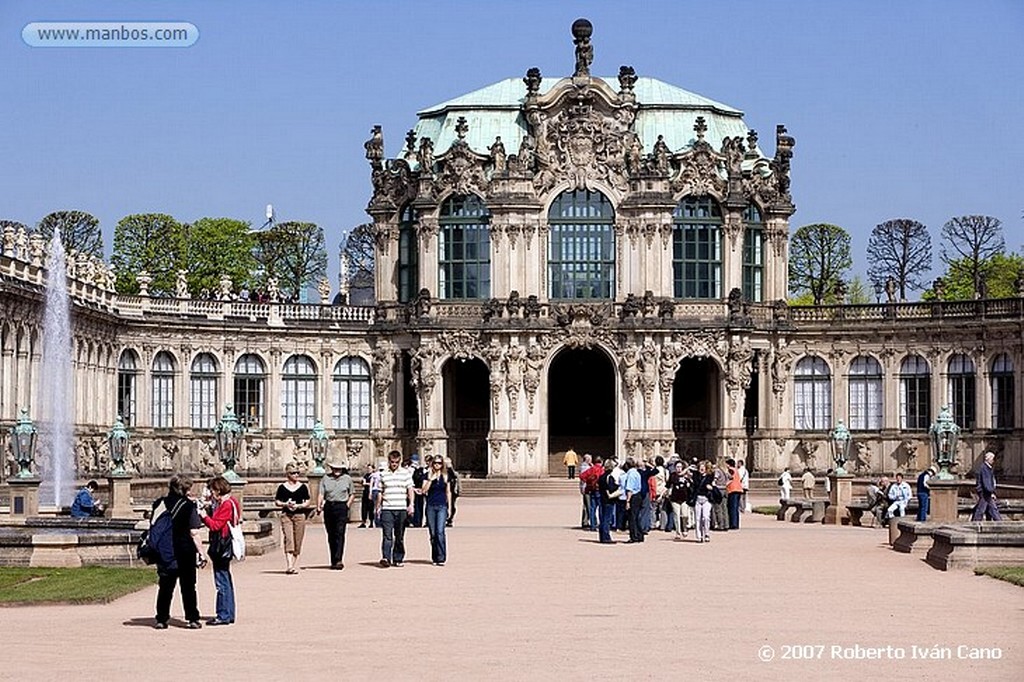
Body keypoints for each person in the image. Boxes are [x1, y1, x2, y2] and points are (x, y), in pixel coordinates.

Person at [153, 474, 206, 630]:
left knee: (165, 587)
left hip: (165, 549)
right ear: (184, 489)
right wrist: (202, 553)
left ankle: (161, 619)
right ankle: (192, 618)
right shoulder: (188, 506)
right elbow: (194, 532)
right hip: (184, 550)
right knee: (188, 586)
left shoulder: (159, 503)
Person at [198, 475, 240, 626]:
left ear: (218, 490)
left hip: (222, 545)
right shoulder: (229, 502)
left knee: (221, 580)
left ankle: (223, 614)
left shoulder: (226, 504)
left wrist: (204, 516)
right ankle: (228, 613)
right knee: (225, 579)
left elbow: (216, 525)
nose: (211, 493)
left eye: (212, 490)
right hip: (224, 544)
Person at [376, 450, 415, 567]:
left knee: (399, 535)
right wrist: (378, 507)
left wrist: (411, 504)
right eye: (392, 462)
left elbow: (410, 489)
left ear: (400, 461)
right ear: (389, 461)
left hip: (401, 507)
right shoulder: (383, 474)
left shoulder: (405, 473)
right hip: (387, 507)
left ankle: (398, 558)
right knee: (387, 535)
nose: (394, 464)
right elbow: (380, 492)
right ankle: (386, 558)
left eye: (396, 462)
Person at [275, 463, 312, 574]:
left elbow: (308, 501)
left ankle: (293, 564)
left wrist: (299, 506)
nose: (296, 475)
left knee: (297, 540)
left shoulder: (302, 487)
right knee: (289, 539)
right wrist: (286, 504)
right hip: (286, 515)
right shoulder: (282, 487)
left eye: (297, 473)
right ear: (287, 474)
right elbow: (277, 501)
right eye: (293, 473)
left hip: (300, 515)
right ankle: (289, 566)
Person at [317, 461, 354, 569]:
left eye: (339, 469)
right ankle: (333, 559)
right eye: (335, 468)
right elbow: (321, 493)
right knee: (331, 534)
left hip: (341, 506)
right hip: (329, 506)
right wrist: (319, 506)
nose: (337, 471)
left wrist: (347, 505)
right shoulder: (325, 478)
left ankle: (338, 559)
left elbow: (352, 493)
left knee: (340, 533)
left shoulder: (347, 479)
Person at [421, 455, 452, 565]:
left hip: (442, 506)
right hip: (430, 506)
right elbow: (423, 491)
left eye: (439, 463)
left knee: (440, 532)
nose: (437, 465)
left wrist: (450, 507)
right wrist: (431, 479)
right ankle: (435, 556)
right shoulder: (427, 475)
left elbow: (448, 492)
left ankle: (441, 557)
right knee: (433, 533)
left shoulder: (446, 476)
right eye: (435, 463)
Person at [971, 452, 1002, 521]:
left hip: (985, 492)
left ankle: (998, 521)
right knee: (983, 509)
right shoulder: (985, 468)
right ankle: (999, 522)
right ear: (989, 459)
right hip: (985, 492)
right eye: (992, 459)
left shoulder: (986, 468)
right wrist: (991, 492)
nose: (993, 461)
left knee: (990, 508)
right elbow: (986, 482)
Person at [691, 461, 715, 543]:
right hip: (698, 498)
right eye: (700, 467)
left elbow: (713, 482)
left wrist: (711, 487)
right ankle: (699, 536)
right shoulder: (696, 476)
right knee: (698, 518)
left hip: (706, 499)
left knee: (706, 517)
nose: (701, 468)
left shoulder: (710, 476)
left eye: (703, 467)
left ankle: (707, 533)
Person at [666, 461, 691, 540]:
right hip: (675, 498)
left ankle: (685, 528)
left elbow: (691, 485)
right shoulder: (673, 475)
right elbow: (669, 485)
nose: (679, 469)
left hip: (684, 498)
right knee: (676, 515)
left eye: (680, 467)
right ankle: (678, 532)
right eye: (677, 467)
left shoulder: (687, 476)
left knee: (685, 515)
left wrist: (688, 480)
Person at [597, 458, 619, 544]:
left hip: (602, 498)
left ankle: (602, 536)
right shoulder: (609, 477)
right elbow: (610, 488)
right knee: (607, 519)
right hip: (608, 500)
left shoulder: (601, 476)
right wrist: (617, 486)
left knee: (602, 518)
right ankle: (606, 537)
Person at [622, 458, 644, 543]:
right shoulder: (636, 473)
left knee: (632, 517)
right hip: (638, 495)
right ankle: (639, 535)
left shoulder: (631, 474)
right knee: (636, 517)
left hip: (633, 496)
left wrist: (627, 501)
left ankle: (634, 536)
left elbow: (629, 489)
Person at [580, 455, 604, 531]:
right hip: (600, 490)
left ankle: (593, 525)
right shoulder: (601, 469)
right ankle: (601, 524)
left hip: (592, 490)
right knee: (601, 508)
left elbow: (582, 476)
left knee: (592, 508)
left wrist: (588, 482)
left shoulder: (591, 469)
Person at [725, 458, 743, 530]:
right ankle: (736, 523)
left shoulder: (731, 470)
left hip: (733, 489)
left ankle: (733, 524)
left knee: (732, 507)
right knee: (735, 508)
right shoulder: (736, 470)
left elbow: (730, 478)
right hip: (738, 489)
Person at [445, 457, 460, 527]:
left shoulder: (454, 473)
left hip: (452, 491)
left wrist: (458, 490)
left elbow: (457, 481)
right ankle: (445, 518)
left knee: (452, 506)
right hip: (444, 492)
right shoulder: (442, 473)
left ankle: (450, 519)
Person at [578, 453, 592, 528]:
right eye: (590, 459)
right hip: (587, 488)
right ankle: (591, 521)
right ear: (587, 460)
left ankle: (585, 521)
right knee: (589, 505)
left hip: (584, 488)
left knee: (586, 505)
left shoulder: (585, 466)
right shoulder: (585, 467)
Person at [359, 464, 375, 528]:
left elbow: (373, 484)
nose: (368, 470)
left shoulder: (373, 476)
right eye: (368, 469)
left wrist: (366, 483)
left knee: (371, 508)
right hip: (365, 492)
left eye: (370, 469)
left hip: (370, 492)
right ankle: (363, 522)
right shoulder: (365, 476)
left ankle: (371, 522)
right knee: (364, 508)